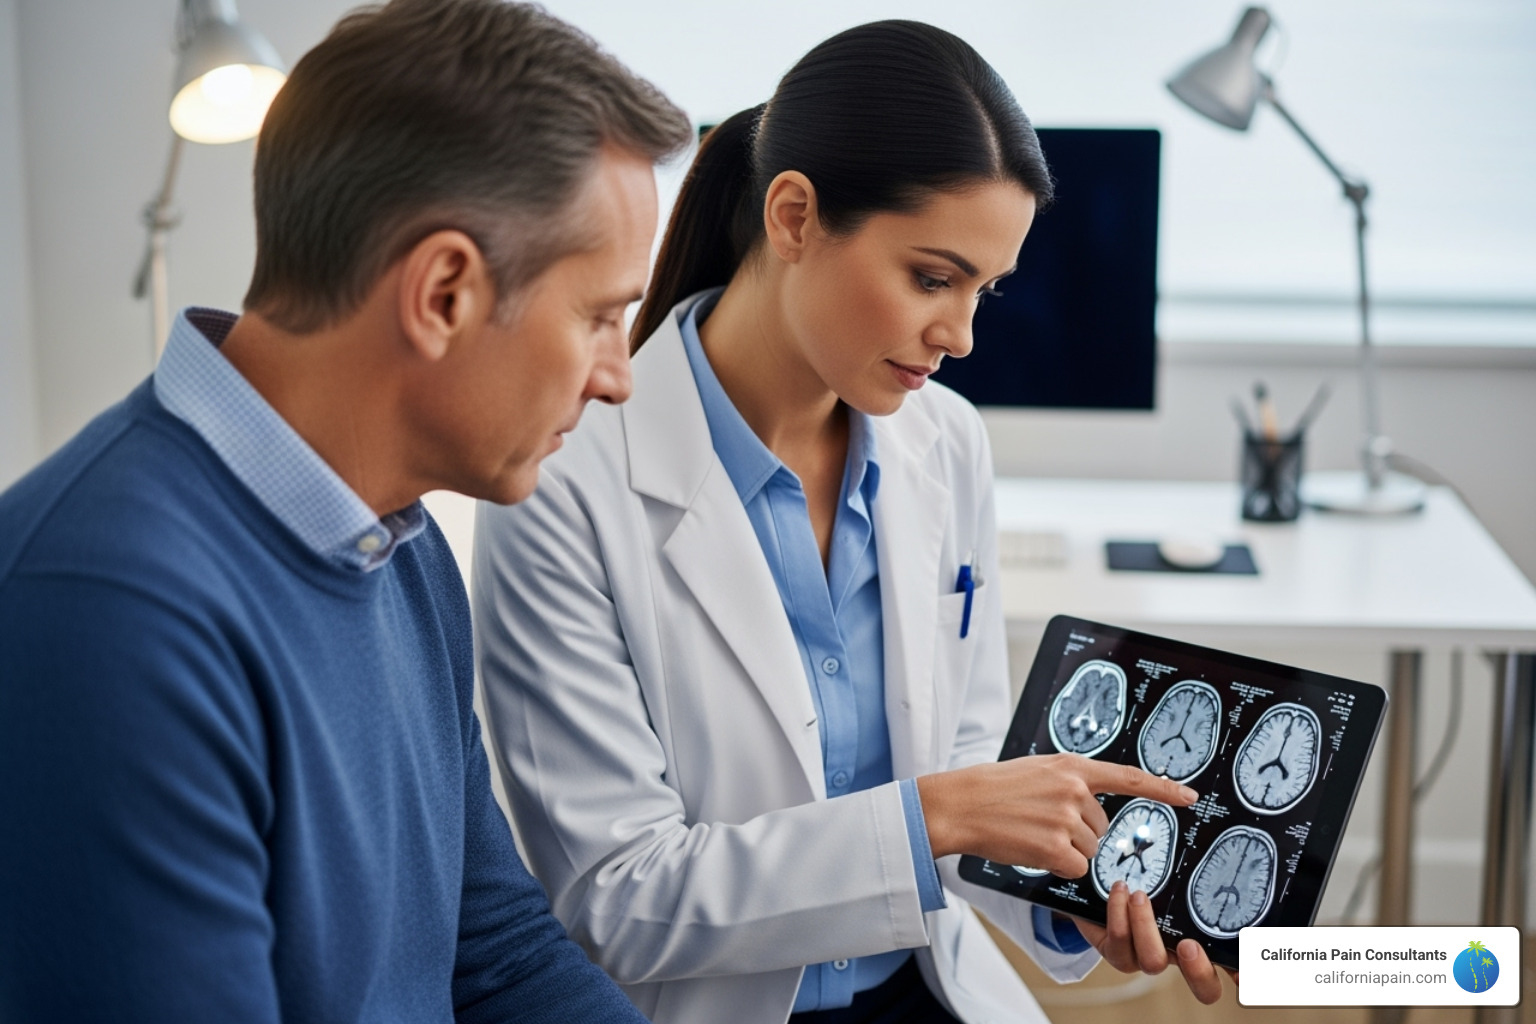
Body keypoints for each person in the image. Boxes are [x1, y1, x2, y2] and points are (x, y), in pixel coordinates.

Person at [472, 19, 1229, 1024]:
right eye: (931, 276)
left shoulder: (946, 443)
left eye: (984, 292)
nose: (959, 336)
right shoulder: (567, 480)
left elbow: (971, 771)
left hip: (928, 986)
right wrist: (938, 815)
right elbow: (620, 895)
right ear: (794, 216)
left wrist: (1066, 896)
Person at [0, 1, 691, 1020]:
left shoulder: (395, 544)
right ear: (444, 292)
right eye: (598, 315)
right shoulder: (105, 612)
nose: (616, 376)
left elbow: (493, 952)